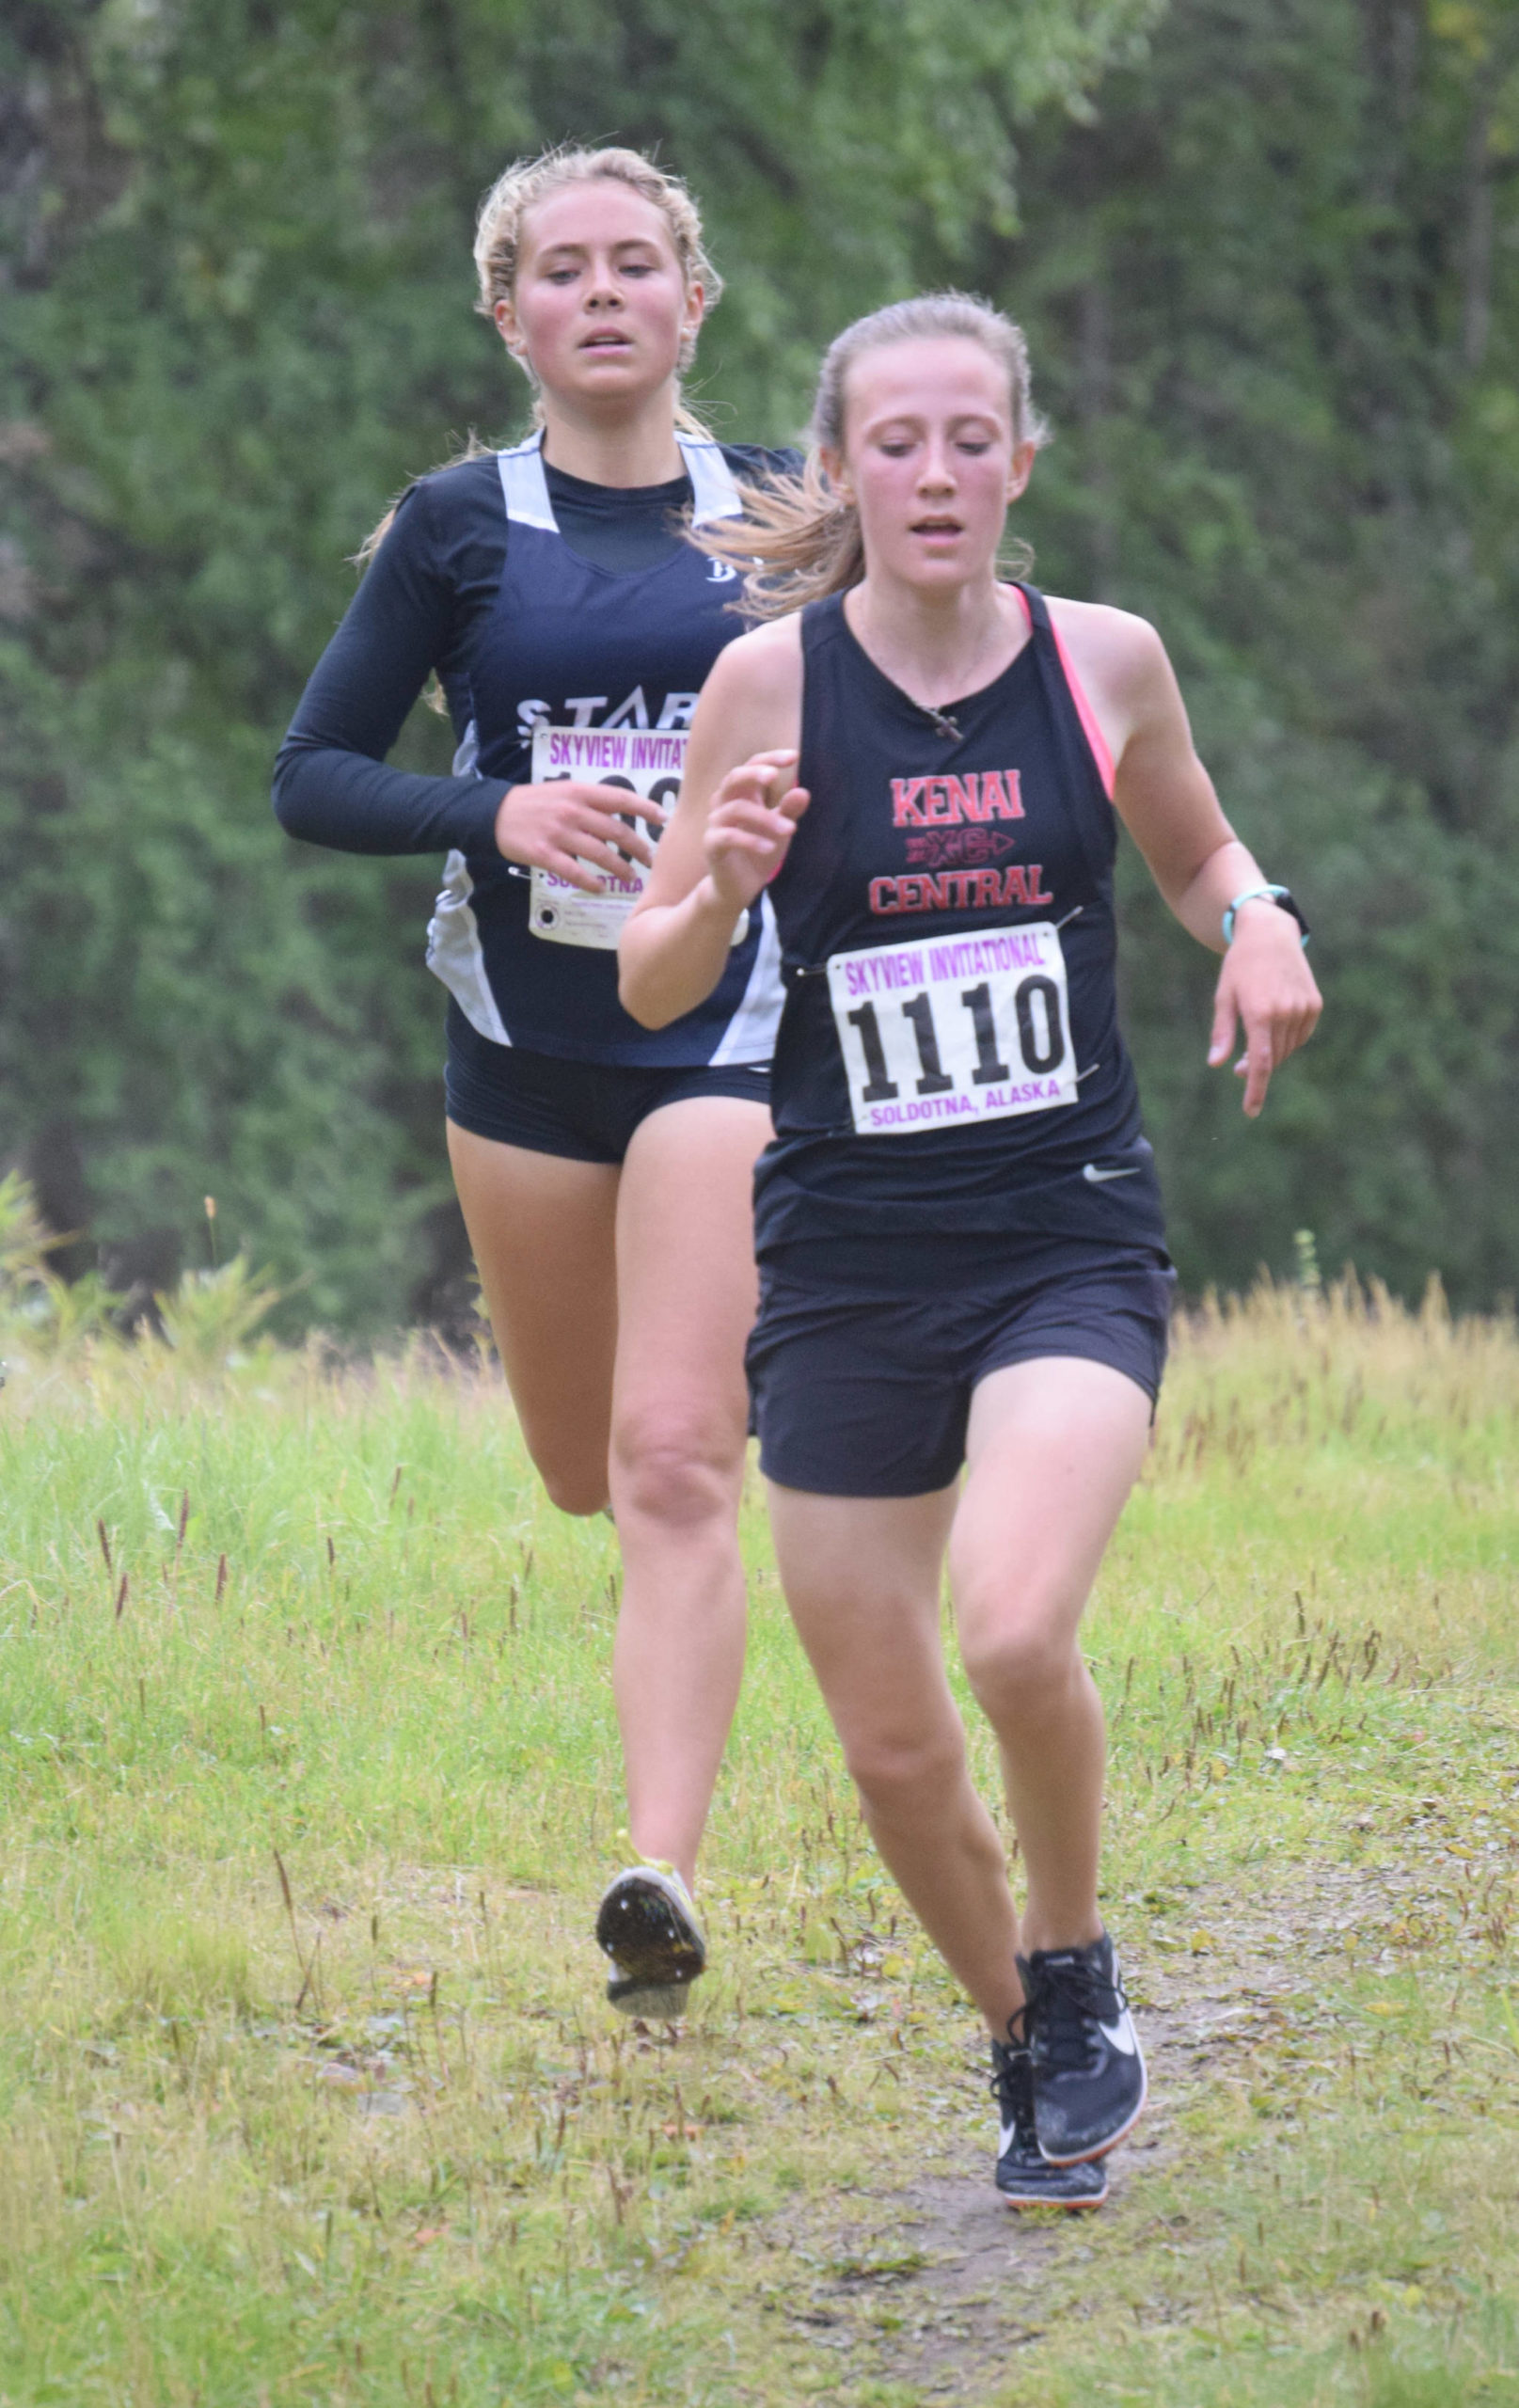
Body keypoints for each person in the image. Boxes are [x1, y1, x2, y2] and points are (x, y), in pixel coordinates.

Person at [619, 292, 1321, 2205]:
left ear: (1021, 457)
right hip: (844, 1250)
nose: (933, 473)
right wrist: (728, 882)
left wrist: (1256, 915)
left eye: (969, 437)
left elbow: (1193, 852)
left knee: (1013, 1620)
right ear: (840, 470)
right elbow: (656, 966)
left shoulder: (1103, 662)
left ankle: (1076, 1971)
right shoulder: (767, 688)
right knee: (885, 1734)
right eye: (894, 442)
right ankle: (1023, 2038)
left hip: (1059, 1233)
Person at [273, 146, 799, 2020]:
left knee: (677, 1462)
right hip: (518, 1048)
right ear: (508, 315)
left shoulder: (784, 518)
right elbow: (312, 771)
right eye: (559, 269)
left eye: (634, 263)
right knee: (583, 1465)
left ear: (691, 301)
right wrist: (498, 803)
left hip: (727, 1035)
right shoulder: (455, 525)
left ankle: (659, 1870)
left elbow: (916, 729)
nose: (599, 292)